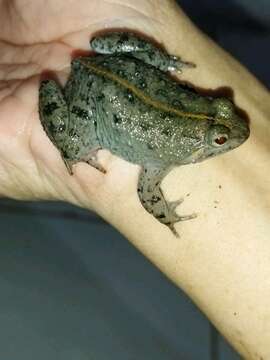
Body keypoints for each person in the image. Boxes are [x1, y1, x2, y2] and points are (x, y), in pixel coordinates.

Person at [0, 1, 269, 358]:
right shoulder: (168, 156)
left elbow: (147, 189)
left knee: (98, 119)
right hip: (93, 94)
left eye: (223, 113)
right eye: (221, 139)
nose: (231, 131)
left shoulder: (184, 131)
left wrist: (166, 58)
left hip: (114, 70)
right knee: (76, 142)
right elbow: (146, 191)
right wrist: (167, 214)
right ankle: (71, 143)